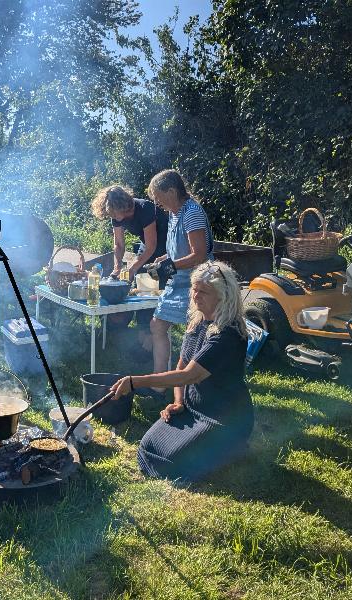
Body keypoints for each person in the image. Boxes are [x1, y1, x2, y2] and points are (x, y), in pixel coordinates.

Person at [109, 261, 254, 483]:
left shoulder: (228, 334)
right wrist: (178, 402)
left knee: (169, 463)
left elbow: (189, 375)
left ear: (223, 296)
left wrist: (135, 382)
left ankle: (233, 446)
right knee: (148, 447)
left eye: (203, 292)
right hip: (192, 409)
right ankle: (214, 449)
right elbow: (180, 365)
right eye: (194, 289)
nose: (196, 296)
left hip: (223, 417)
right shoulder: (197, 323)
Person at [145, 169, 214, 393]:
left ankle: (191, 387)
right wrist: (164, 259)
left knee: (193, 334)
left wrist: (171, 266)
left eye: (158, 196)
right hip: (178, 281)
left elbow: (199, 254)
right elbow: (178, 251)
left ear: (172, 191)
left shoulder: (192, 212)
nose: (156, 202)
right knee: (157, 326)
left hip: (195, 283)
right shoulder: (174, 213)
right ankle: (160, 384)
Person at [90, 184, 168, 280]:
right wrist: (117, 266)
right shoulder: (115, 215)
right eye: (112, 215)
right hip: (146, 244)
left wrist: (131, 269)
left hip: (166, 244)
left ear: (123, 206)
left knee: (159, 278)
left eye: (115, 215)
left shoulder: (144, 208)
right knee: (139, 278)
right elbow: (119, 244)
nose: (114, 218)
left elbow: (151, 246)